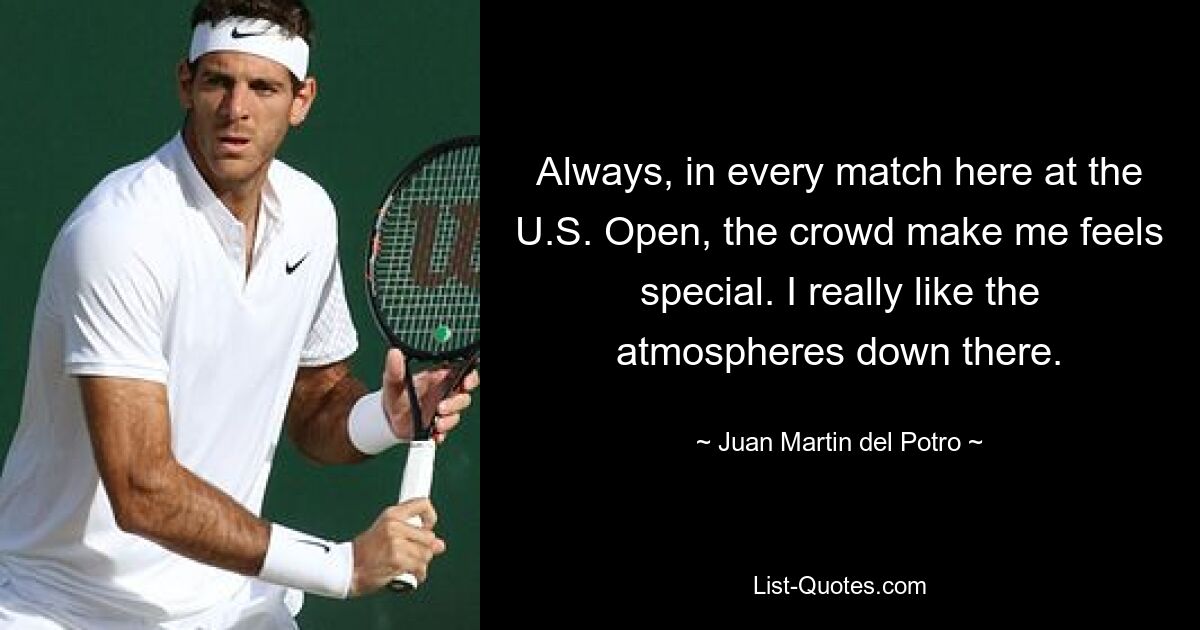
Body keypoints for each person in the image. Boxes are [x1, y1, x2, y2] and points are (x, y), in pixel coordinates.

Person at [0, 1, 479, 627]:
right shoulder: (121, 233)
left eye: (264, 87)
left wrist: (383, 417)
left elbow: (315, 406)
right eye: (218, 82)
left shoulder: (309, 215)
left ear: (301, 100)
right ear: (185, 84)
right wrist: (341, 566)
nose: (237, 110)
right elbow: (141, 489)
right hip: (63, 608)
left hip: (229, 604)